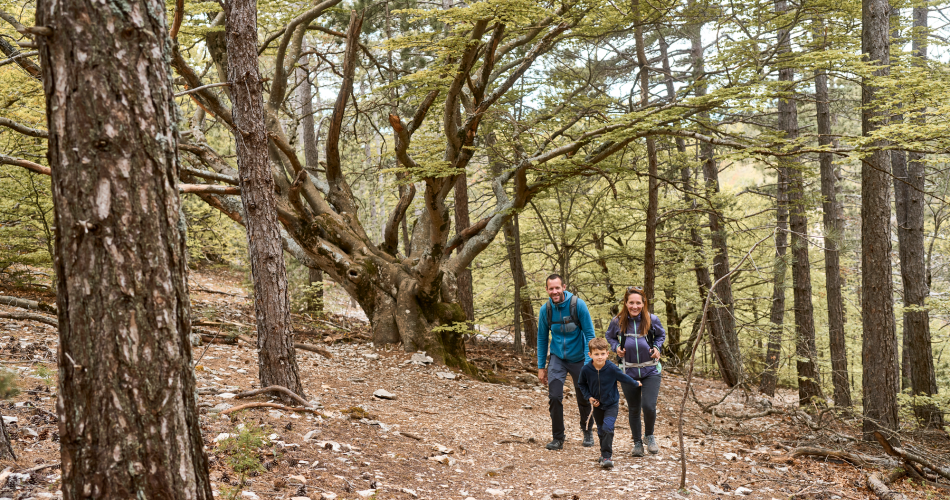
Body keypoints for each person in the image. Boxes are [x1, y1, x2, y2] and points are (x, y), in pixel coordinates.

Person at [537, 274, 596, 450]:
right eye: (551, 288)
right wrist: (541, 367)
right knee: (554, 396)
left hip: (579, 358)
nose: (554, 291)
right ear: (547, 290)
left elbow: (589, 334)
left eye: (557, 288)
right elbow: (541, 339)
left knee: (584, 396)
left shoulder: (578, 305)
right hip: (557, 359)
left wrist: (588, 362)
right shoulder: (545, 310)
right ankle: (558, 437)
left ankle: (587, 431)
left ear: (564, 287)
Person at [605, 286, 666, 457]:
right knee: (633, 408)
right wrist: (616, 347)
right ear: (625, 303)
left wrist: (656, 347)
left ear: (643, 303)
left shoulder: (652, 319)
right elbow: (609, 336)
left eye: (638, 303)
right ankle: (637, 442)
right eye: (631, 303)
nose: (634, 306)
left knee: (648, 406)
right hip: (628, 371)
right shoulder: (617, 321)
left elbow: (661, 335)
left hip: (651, 370)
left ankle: (649, 436)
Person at [577, 337, 641, 468]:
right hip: (597, 406)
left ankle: (607, 456)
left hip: (611, 404)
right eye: (596, 354)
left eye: (602, 354)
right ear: (590, 355)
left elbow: (624, 378)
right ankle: (603, 454)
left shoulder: (612, 368)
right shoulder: (586, 369)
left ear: (607, 353)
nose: (599, 357)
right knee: (601, 430)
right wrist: (589, 397)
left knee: (608, 428)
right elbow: (581, 384)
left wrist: (636, 383)